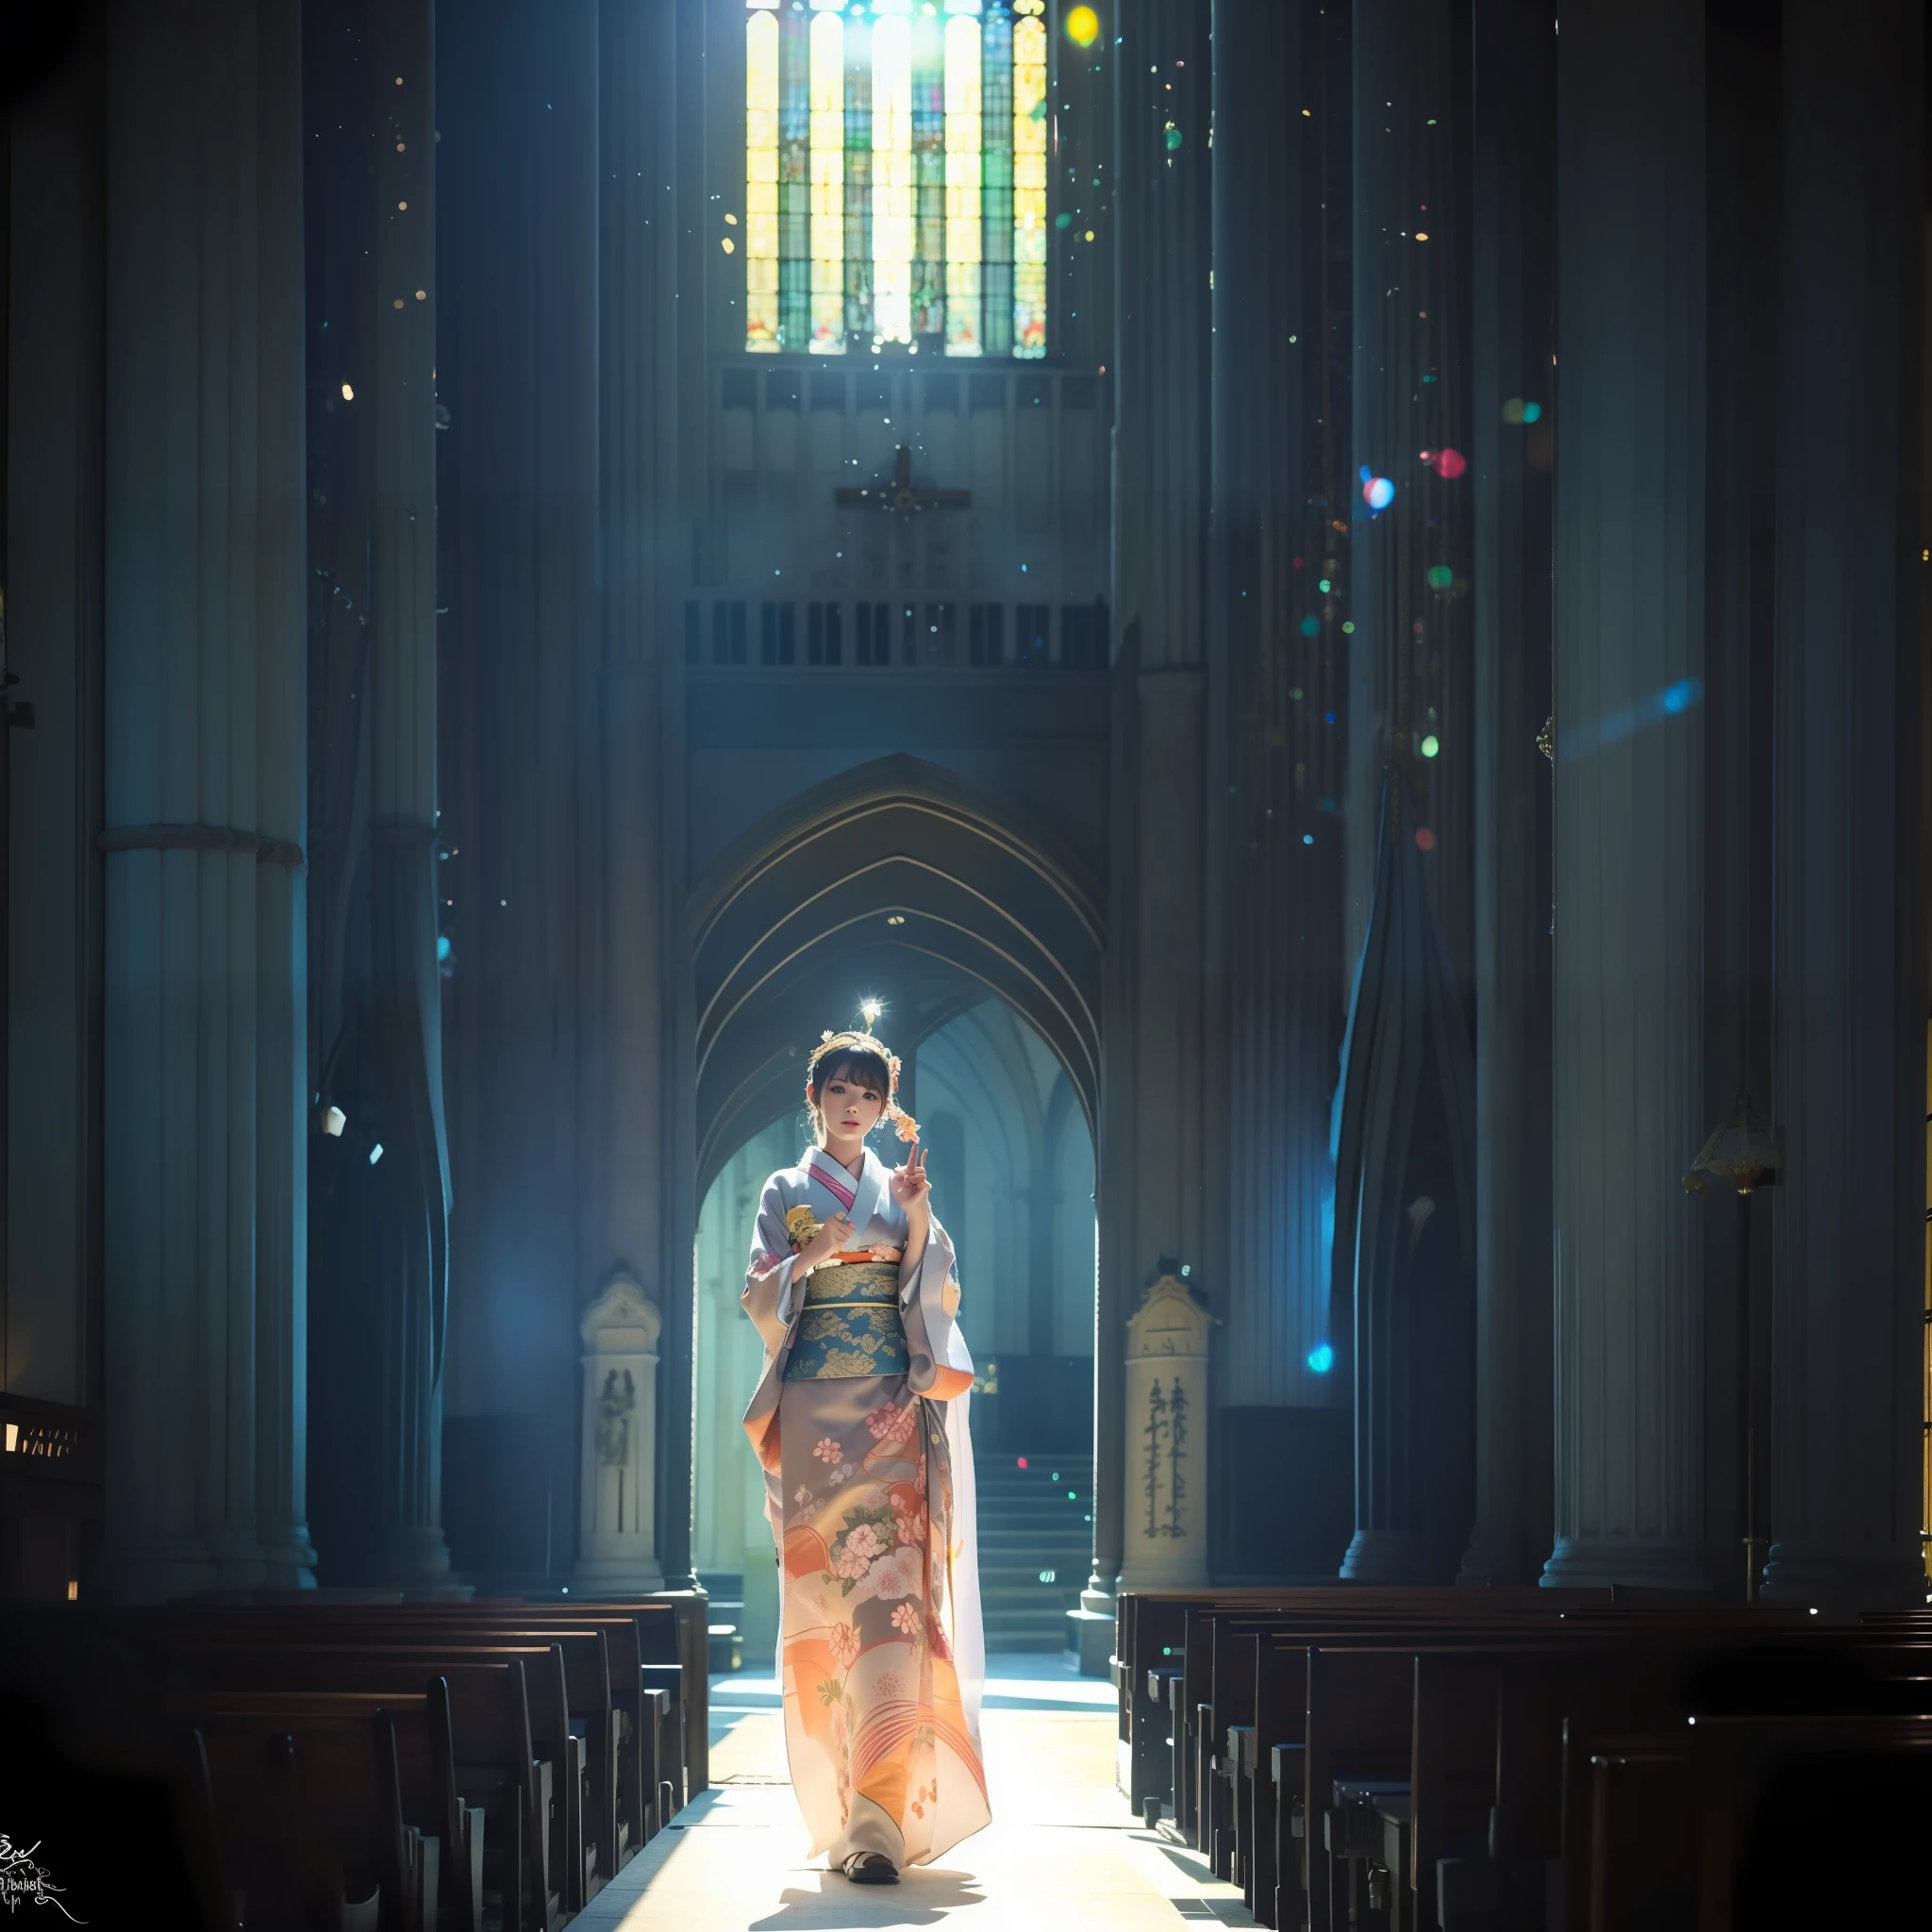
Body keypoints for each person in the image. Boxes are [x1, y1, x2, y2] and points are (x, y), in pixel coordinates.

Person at [741, 1027, 991, 1883]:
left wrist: (917, 1218)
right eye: (840, 1090)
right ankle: (846, 1797)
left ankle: (877, 1821)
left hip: (888, 1410)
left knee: (893, 1606)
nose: (854, 1105)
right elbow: (761, 1298)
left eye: (869, 1094)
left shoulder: (900, 1185)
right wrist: (805, 1260)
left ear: (885, 1109)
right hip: (815, 1417)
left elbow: (936, 1288)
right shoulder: (783, 1188)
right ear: (814, 1099)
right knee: (828, 1605)